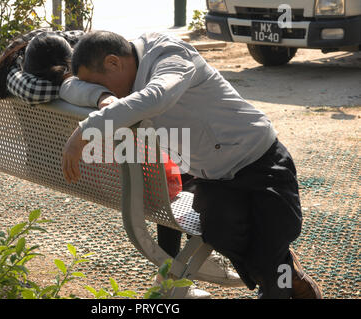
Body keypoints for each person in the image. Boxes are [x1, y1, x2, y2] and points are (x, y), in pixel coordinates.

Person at [59, 30, 322, 299]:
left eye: (101, 83)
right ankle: (290, 269)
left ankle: (281, 278)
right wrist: (101, 95)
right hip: (214, 177)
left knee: (270, 248)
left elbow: (157, 96)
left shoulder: (169, 54)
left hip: (260, 159)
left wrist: (85, 131)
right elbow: (69, 86)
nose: (106, 91)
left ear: (114, 63)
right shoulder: (123, 67)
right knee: (221, 233)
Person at [0, 29, 241, 298]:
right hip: (127, 176)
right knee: (191, 181)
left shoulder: (22, 81)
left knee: (171, 172)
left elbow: (44, 86)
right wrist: (100, 97)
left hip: (57, 168)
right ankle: (172, 276)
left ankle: (178, 270)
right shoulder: (72, 85)